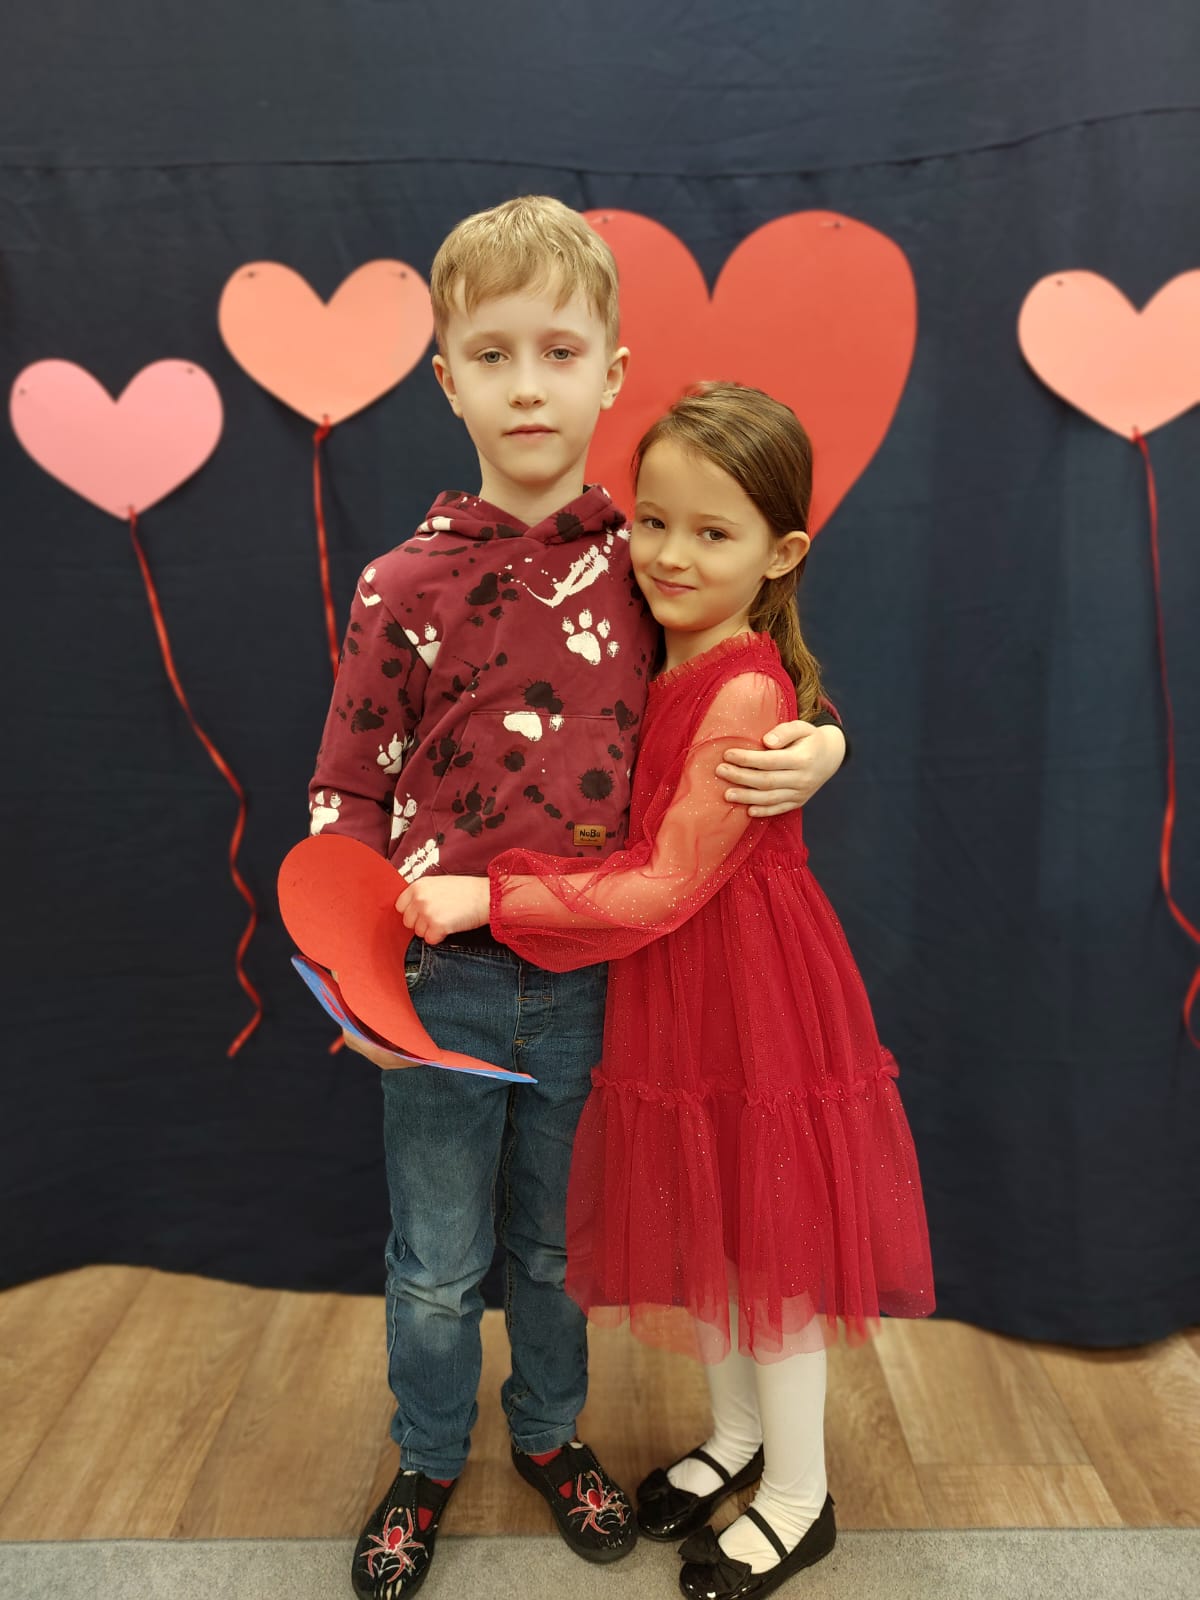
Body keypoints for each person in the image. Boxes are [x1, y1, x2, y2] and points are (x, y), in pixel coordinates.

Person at [305, 198, 849, 1600]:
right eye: (493, 355)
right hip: (437, 983)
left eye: (559, 353)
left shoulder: (644, 561)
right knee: (438, 1261)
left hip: (604, 979)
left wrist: (823, 744)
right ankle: (429, 1458)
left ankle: (549, 1435)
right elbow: (347, 794)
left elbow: (743, 670)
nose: (528, 386)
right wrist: (355, 982)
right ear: (447, 378)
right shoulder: (399, 583)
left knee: (556, 1249)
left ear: (611, 374)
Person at [398, 381, 935, 1600]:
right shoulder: (647, 629)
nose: (671, 555)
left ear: (781, 553)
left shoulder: (743, 685)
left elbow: (664, 881)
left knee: (770, 1244)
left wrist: (488, 897)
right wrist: (829, 731)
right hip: (674, 980)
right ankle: (739, 1439)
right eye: (653, 521)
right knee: (721, 1238)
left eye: (712, 532)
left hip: (745, 983)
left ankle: (799, 1497)